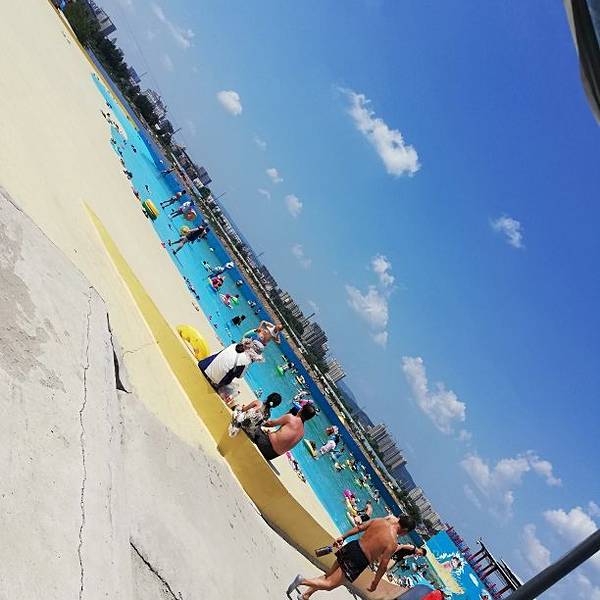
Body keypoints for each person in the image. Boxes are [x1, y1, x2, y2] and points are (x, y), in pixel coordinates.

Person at [288, 515, 416, 599]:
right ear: (405, 530)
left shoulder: (380, 521)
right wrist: (375, 582)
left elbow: (360, 527)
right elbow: (383, 565)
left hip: (352, 546)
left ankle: (306, 595)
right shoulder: (392, 542)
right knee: (330, 584)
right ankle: (302, 581)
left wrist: (343, 537)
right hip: (359, 559)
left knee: (329, 575)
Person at [251, 403, 316, 461]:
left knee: (252, 424)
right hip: (272, 455)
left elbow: (270, 423)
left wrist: (259, 421)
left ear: (301, 410)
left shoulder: (291, 418)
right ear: (309, 418)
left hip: (265, 445)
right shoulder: (302, 433)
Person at [198, 339, 264, 392]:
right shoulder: (246, 361)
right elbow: (239, 376)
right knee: (232, 377)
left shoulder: (234, 345)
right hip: (212, 381)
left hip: (203, 365)